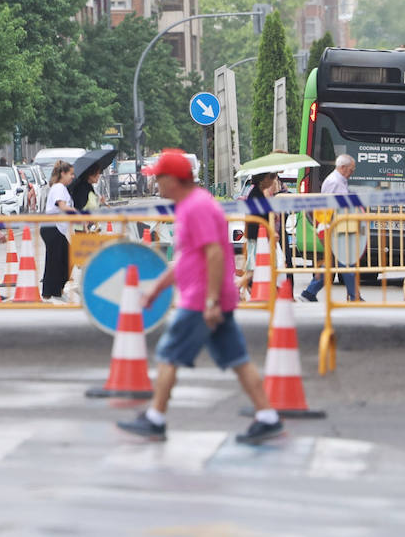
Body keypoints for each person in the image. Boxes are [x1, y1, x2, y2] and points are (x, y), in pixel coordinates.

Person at [117, 149, 283, 444]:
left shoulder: (197, 207)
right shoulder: (188, 206)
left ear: (173, 180)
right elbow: (186, 260)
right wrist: (157, 289)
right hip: (209, 298)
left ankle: (155, 417)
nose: (155, 185)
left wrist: (211, 301)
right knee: (238, 359)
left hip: (201, 300)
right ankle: (268, 416)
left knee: (169, 355)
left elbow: (215, 253)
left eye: (158, 178)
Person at [301, 154, 360, 302]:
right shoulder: (336, 182)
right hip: (332, 227)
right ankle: (354, 296)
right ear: (342, 167)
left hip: (332, 226)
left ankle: (309, 292)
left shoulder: (338, 180)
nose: (352, 172)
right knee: (344, 261)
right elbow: (341, 205)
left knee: (332, 263)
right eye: (351, 169)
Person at [236, 172, 279, 298]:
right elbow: (262, 215)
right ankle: (236, 287)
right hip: (257, 237)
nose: (273, 180)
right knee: (254, 268)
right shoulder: (256, 195)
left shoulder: (258, 193)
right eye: (271, 177)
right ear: (263, 180)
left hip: (259, 236)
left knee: (256, 268)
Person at [40, 161, 77, 301]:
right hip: (52, 227)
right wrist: (76, 212)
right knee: (58, 260)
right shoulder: (59, 187)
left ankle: (53, 291)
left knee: (60, 259)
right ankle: (53, 291)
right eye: (70, 174)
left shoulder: (61, 188)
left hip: (55, 228)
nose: (72, 177)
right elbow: (62, 205)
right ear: (63, 173)